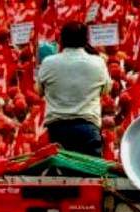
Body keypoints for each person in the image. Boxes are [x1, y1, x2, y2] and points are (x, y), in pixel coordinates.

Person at [36, 22, 112, 157]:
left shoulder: (48, 62)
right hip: (87, 128)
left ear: (61, 40)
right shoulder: (98, 63)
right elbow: (106, 90)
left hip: (57, 130)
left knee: (61, 175)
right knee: (90, 174)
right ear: (86, 40)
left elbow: (39, 91)